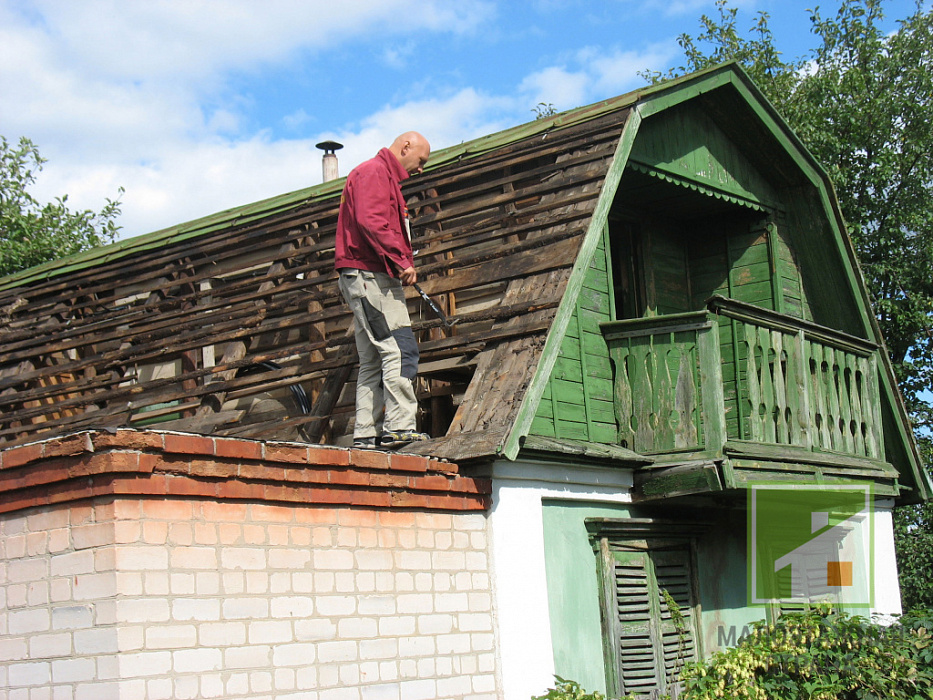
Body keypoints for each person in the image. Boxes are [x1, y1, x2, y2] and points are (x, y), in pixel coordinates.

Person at [334, 132, 432, 449]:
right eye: (421, 161)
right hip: (370, 276)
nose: (420, 169)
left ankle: (365, 433)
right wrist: (401, 260)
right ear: (406, 147)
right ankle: (399, 427)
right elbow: (371, 220)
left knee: (373, 359)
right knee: (400, 349)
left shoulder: (382, 177)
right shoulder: (374, 172)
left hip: (365, 275)